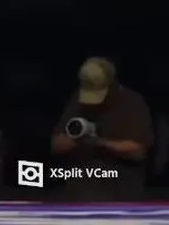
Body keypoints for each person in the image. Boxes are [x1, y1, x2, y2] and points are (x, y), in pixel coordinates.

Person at [50, 57, 153, 199]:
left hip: (120, 192)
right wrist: (77, 140)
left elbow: (138, 152)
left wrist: (101, 143)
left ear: (112, 84)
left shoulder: (132, 102)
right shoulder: (77, 100)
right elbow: (56, 144)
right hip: (80, 191)